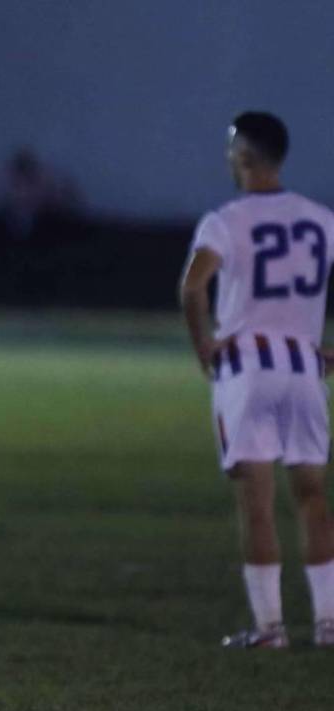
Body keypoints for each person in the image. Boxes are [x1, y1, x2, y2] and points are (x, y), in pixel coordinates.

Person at [179, 111, 334, 649]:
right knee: (314, 496)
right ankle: (328, 623)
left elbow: (193, 286)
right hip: (304, 369)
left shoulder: (225, 220)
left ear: (243, 156)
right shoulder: (321, 218)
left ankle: (270, 629)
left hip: (247, 368)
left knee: (257, 501)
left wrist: (204, 346)